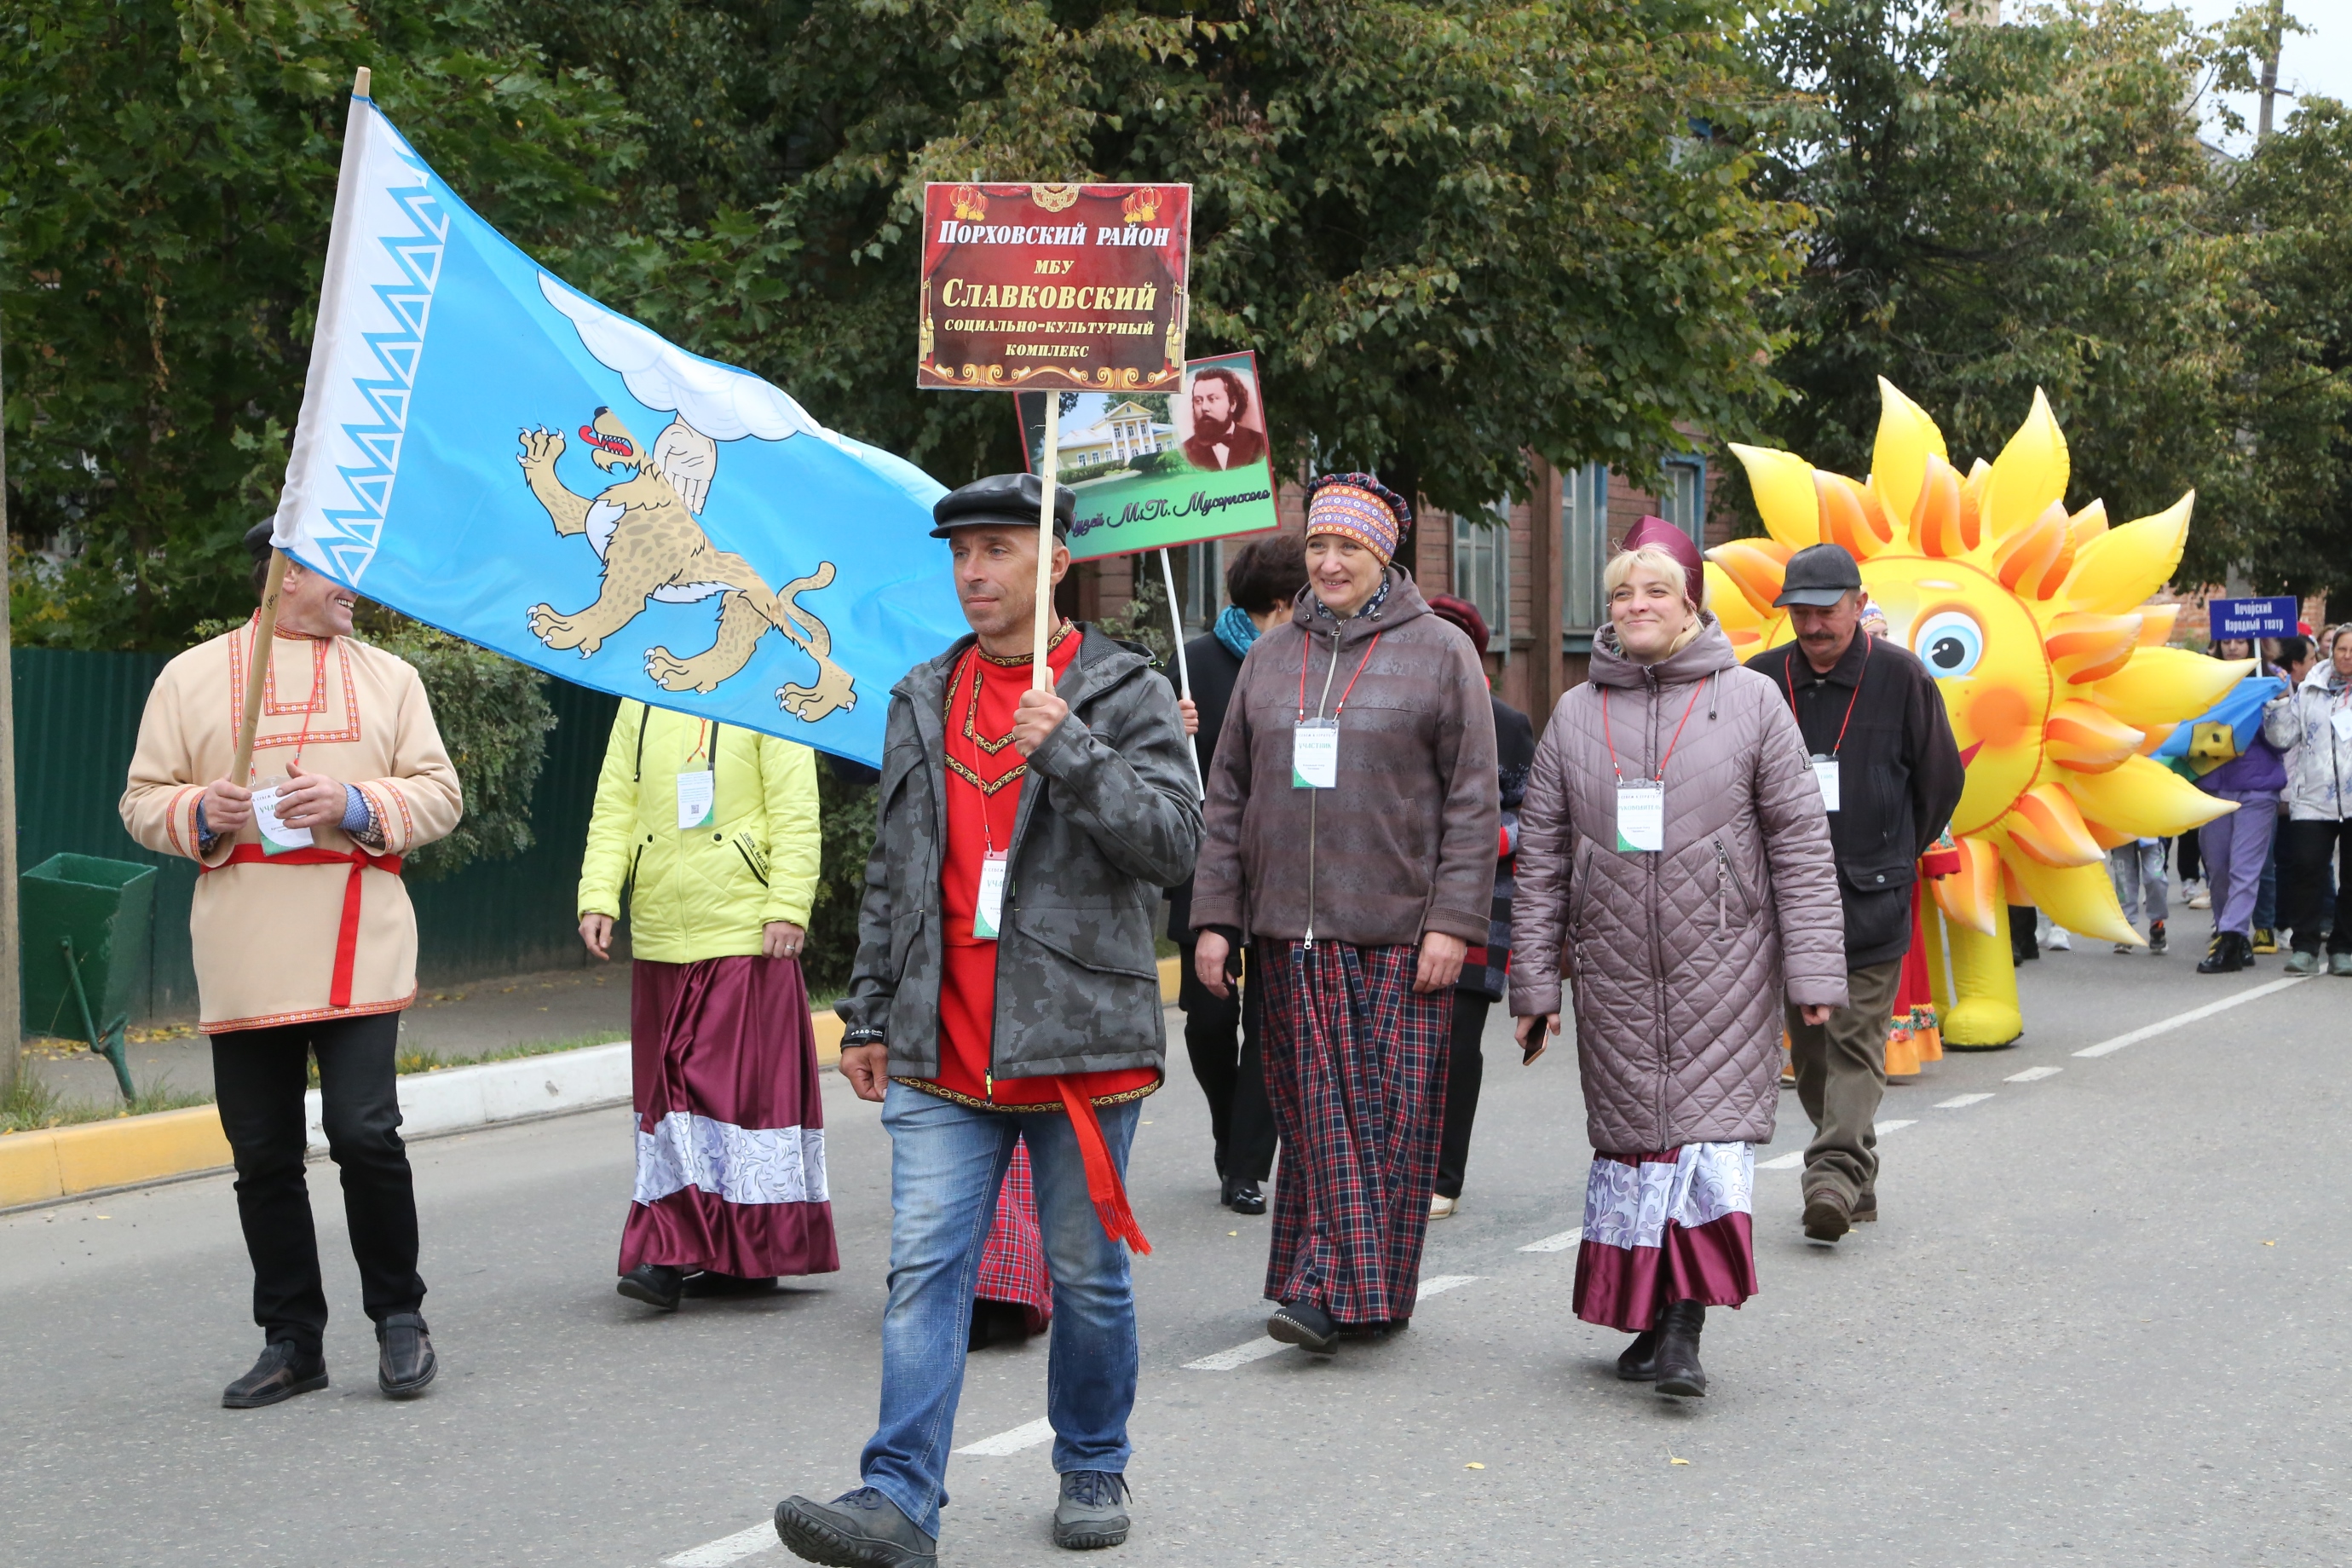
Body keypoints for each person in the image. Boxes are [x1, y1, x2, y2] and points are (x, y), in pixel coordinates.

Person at [771, 474, 1199, 1565]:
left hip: (1079, 1042)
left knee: (1086, 1275)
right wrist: (867, 1012)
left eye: (999, 549)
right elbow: (894, 866)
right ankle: (899, 1497)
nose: (974, 572)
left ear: (1054, 561)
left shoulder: (1126, 689)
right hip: (940, 1044)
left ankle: (1092, 1459)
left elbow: (1173, 846)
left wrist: (1073, 749)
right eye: (961, 554)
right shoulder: (922, 691)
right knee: (924, 1272)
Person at [121, 523, 463, 1408]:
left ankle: (400, 1319)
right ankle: (292, 1341)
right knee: (263, 1151)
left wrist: (353, 800)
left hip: (357, 937)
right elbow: (142, 800)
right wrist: (202, 810)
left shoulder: (392, 678)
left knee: (364, 1132)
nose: (355, 585)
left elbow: (440, 794)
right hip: (243, 945)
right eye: (336, 568)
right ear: (284, 574)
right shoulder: (191, 676)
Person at [1510, 520, 1845, 1399]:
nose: (1637, 605)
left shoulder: (1753, 702)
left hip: (1725, 964)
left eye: (1655, 590)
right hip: (1615, 969)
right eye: (1622, 593)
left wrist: (1814, 974)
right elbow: (1541, 858)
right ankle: (1649, 1317)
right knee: (1636, 1145)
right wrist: (1535, 983)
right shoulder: (1576, 713)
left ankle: (1684, 1327)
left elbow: (1800, 846)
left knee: (1705, 1144)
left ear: (1690, 602)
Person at [1190, 472, 1499, 1356]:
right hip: (1290, 932)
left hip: (1401, 931)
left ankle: (1367, 1288)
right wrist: (1217, 917)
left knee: (1386, 1123)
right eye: (1318, 546)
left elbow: (1473, 801)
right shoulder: (1270, 658)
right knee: (1320, 1116)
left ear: (1383, 556)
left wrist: (1453, 922)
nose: (1329, 563)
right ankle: (1325, 1290)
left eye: (1348, 548)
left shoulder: (1441, 652)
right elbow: (1229, 797)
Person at [576, 700, 838, 1311]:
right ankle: (714, 1249)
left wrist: (787, 905)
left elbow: (796, 811)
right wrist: (599, 894)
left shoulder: (771, 693)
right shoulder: (637, 698)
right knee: (673, 1099)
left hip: (743, 935)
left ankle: (683, 1249)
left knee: (719, 1098)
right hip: (661, 934)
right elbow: (614, 805)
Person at [1743, 543, 1963, 1242]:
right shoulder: (1760, 680)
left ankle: (1833, 1174)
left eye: (1826, 611)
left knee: (1856, 1041)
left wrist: (1895, 851)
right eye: (1799, 613)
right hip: (1786, 900)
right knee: (1811, 1053)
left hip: (1871, 895)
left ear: (1859, 604)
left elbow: (1940, 781)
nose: (1812, 627)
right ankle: (1856, 1174)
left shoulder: (1902, 677)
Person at [1165, 537, 1305, 1215]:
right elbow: (1145, 759)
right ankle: (1230, 1132)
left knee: (1273, 1026)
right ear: (1281, 602)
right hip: (1208, 865)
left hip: (1285, 866)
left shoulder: (1312, 663)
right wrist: (1170, 727)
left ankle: (1247, 1166)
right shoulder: (1192, 664)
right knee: (1209, 1022)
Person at [1421, 592, 1536, 1221]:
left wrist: (1484, 838)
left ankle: (1445, 1175)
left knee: (1457, 1041)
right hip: (1399, 899)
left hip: (1482, 900)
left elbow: (1533, 815)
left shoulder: (1507, 724)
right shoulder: (1388, 711)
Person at [2265, 625, 2352, 977]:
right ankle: (2304, 947)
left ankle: (2343, 948)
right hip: (2313, 798)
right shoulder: (2310, 688)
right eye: (2342, 648)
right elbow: (2282, 738)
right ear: (2331, 651)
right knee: (2306, 870)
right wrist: (2277, 702)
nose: (2348, 655)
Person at [2196, 658, 2289, 975]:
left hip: (2257, 790)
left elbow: (2283, 741)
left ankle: (2231, 939)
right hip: (2214, 787)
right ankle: (2230, 933)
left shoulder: (2270, 681)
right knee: (2218, 868)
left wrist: (2277, 704)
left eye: (2239, 641)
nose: (2233, 646)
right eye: (2228, 642)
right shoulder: (2207, 680)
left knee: (2244, 868)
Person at [1179, 366, 1268, 472]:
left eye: (1212, 399)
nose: (1204, 408)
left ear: (1232, 404)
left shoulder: (1258, 443)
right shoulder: (1187, 450)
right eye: (1198, 401)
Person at [2107, 838, 2170, 955]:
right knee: (2124, 881)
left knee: (2155, 878)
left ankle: (2157, 923)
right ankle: (2126, 928)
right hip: (2120, 834)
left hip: (2150, 833)